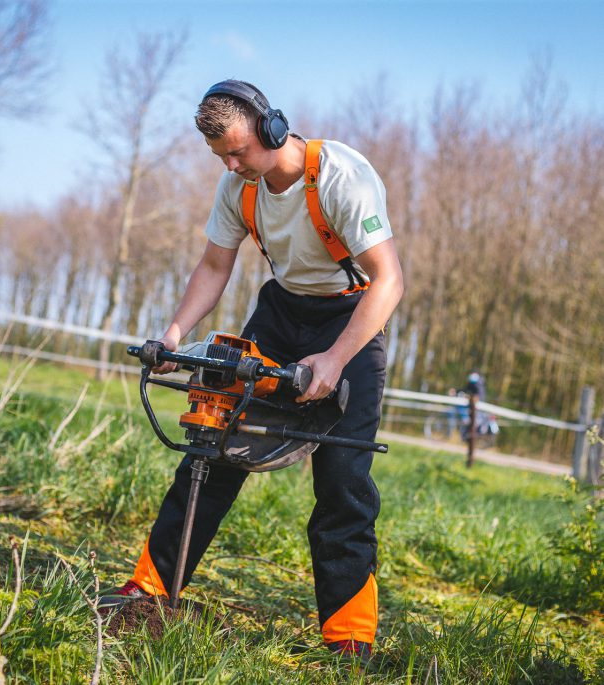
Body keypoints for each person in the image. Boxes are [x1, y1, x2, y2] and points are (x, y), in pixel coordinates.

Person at [101, 80, 404, 664]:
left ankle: (349, 638)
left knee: (342, 481)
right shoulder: (238, 188)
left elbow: (388, 280)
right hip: (280, 316)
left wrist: (335, 359)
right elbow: (215, 265)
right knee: (211, 446)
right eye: (221, 157)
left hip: (351, 319)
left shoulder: (341, 176)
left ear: (272, 127)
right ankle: (151, 590)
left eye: (238, 152)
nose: (232, 166)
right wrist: (173, 334)